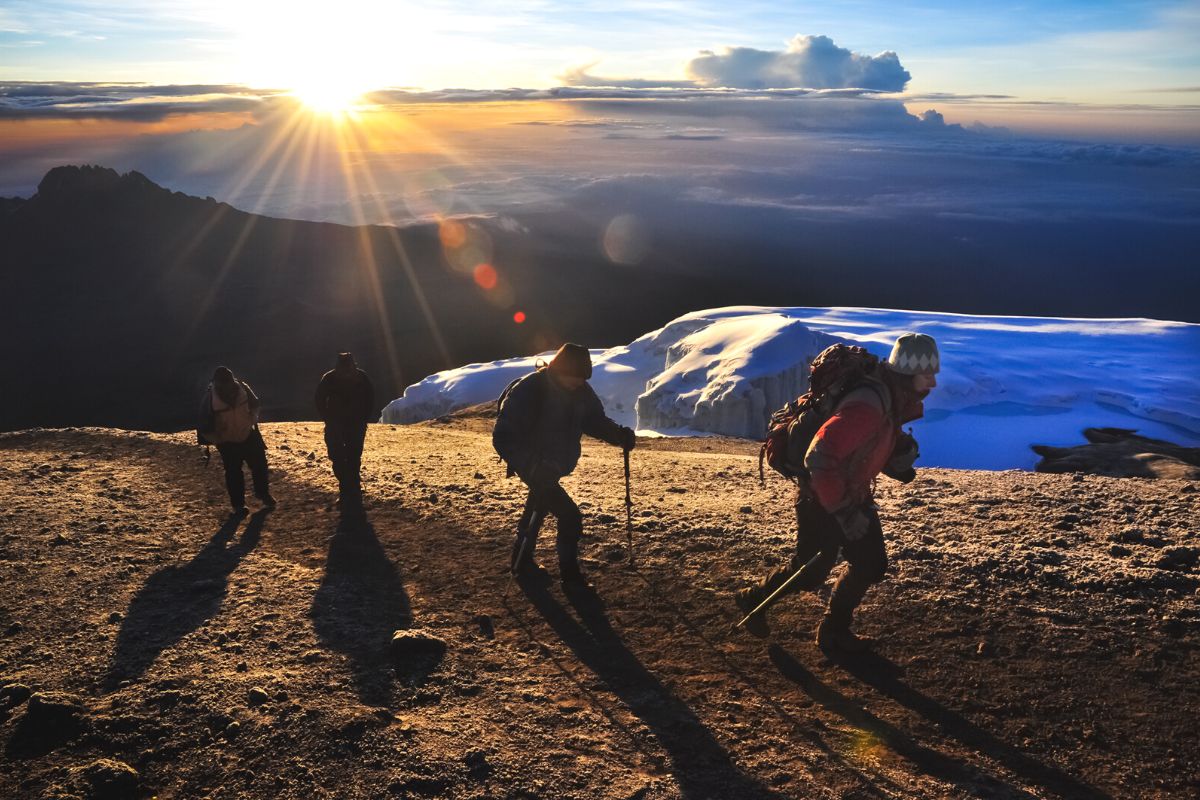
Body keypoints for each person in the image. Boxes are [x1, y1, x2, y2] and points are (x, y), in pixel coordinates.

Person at [736, 333, 940, 651]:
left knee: (870, 562)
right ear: (908, 373)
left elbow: (864, 442)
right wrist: (844, 512)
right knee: (811, 569)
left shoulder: (888, 396)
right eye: (928, 374)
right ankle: (753, 599)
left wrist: (896, 455)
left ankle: (834, 632)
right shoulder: (869, 404)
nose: (933, 383)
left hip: (850, 492)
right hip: (822, 496)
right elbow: (820, 456)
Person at [493, 343, 636, 589]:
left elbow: (593, 420)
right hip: (534, 465)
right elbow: (504, 436)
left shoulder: (580, 390)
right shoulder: (531, 390)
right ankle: (571, 577)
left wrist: (618, 435)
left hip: (553, 464)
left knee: (538, 504)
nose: (579, 384)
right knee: (570, 516)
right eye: (575, 378)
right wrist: (533, 466)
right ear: (558, 370)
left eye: (583, 379)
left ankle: (522, 562)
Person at [198, 366, 276, 515]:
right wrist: (218, 440)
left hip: (247, 434)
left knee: (259, 465)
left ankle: (262, 494)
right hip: (227, 442)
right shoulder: (210, 397)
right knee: (234, 473)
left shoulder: (242, 388)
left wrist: (251, 419)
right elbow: (204, 425)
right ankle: (239, 505)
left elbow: (255, 404)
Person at [314, 352, 375, 509]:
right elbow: (371, 398)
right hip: (355, 425)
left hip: (336, 425)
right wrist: (364, 418)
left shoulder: (329, 377)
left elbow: (319, 399)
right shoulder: (361, 376)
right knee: (353, 458)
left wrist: (327, 418)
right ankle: (353, 492)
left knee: (338, 458)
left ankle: (346, 491)